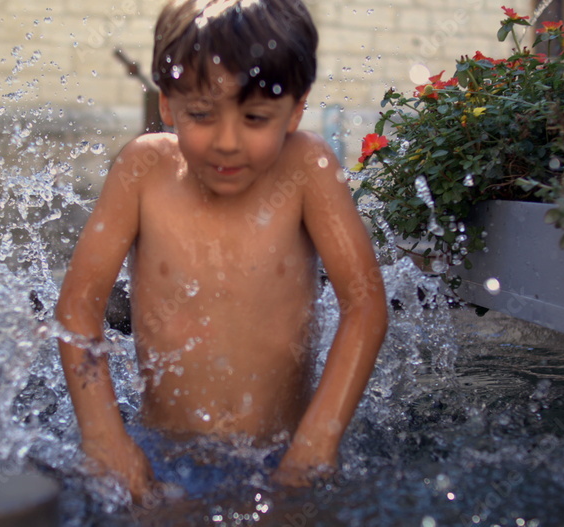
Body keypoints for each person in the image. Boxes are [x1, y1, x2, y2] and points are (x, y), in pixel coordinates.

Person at [55, 0, 388, 502]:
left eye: (255, 117)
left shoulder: (307, 168)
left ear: (296, 108)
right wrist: (105, 437)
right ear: (167, 105)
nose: (227, 142)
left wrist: (316, 443)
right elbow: (79, 304)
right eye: (201, 114)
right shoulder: (144, 171)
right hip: (162, 456)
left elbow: (364, 305)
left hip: (283, 455)